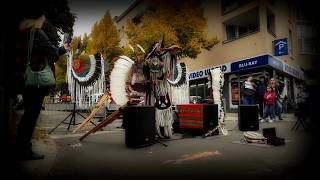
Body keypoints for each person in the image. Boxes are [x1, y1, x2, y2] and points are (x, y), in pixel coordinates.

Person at [13, 9, 70, 160]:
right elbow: (53, 52)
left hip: (24, 80)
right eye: (42, 20)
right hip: (36, 83)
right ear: (37, 20)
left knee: (27, 116)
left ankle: (21, 148)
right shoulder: (36, 33)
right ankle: (24, 150)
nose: (43, 22)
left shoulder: (20, 33)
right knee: (31, 117)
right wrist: (64, 48)